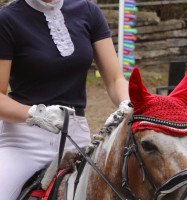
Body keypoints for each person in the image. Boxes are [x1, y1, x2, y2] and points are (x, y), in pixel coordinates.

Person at [0, 0, 130, 199]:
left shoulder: (88, 11)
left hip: (77, 138)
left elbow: (115, 79)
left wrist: (127, 103)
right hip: (24, 142)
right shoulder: (8, 19)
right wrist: (35, 114)